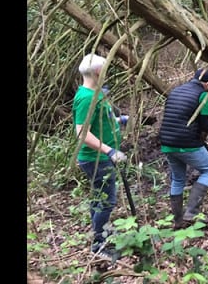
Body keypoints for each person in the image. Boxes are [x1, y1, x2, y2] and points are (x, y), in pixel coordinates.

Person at [159, 68, 208, 229]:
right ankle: (191, 212)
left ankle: (178, 220)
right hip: (186, 142)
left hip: (167, 142)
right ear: (207, 83)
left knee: (178, 179)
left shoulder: (176, 90)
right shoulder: (203, 96)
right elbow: (206, 125)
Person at [73, 53, 128, 260]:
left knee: (99, 198)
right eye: (104, 70)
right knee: (107, 201)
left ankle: (100, 232)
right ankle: (98, 245)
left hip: (100, 158)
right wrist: (109, 151)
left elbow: (102, 119)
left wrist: (119, 120)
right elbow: (82, 132)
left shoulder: (95, 94)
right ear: (97, 72)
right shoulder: (87, 98)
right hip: (96, 159)